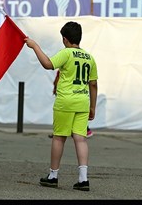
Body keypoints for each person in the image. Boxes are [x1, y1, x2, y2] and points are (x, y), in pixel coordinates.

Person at [25, 21, 98, 191]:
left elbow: (48, 64)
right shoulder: (89, 58)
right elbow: (93, 84)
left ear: (65, 39)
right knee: (80, 138)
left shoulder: (67, 53)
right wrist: (92, 107)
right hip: (83, 101)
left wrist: (35, 46)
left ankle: (53, 175)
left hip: (65, 101)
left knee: (59, 137)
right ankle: (83, 179)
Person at [48, 70, 94, 138]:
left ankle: (60, 132)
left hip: (66, 96)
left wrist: (55, 88)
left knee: (59, 135)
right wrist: (93, 107)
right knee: (78, 116)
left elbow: (56, 80)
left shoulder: (63, 69)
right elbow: (93, 83)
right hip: (81, 96)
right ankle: (83, 130)